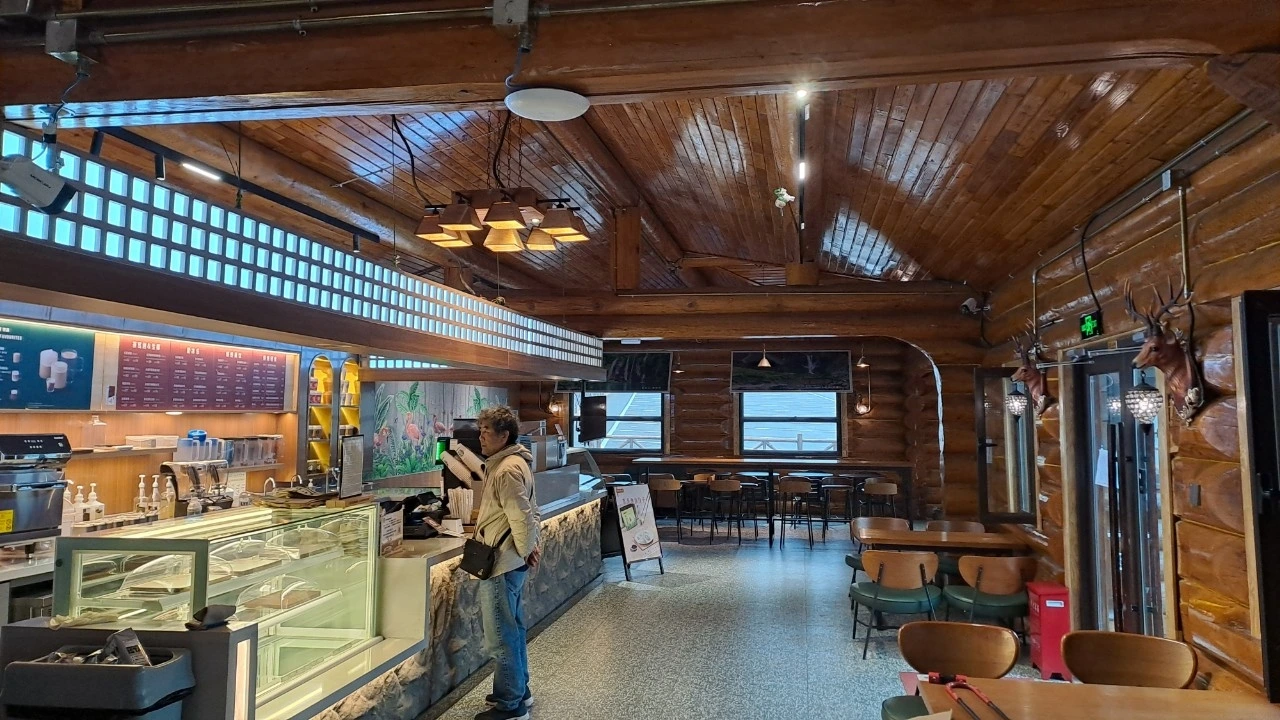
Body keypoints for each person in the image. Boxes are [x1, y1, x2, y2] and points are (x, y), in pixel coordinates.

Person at [473, 406, 540, 720]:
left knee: (500, 635)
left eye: (487, 431)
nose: (481, 437)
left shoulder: (506, 470)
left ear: (504, 435)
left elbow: (522, 516)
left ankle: (510, 705)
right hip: (512, 559)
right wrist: (530, 548)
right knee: (512, 628)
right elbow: (532, 510)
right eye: (481, 430)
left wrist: (527, 550)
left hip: (502, 562)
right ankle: (518, 690)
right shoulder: (513, 463)